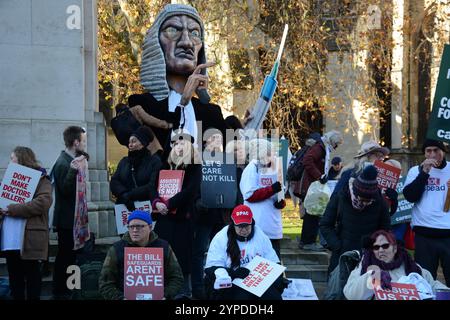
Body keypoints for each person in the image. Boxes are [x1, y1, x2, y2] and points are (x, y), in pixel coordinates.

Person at [152, 128, 202, 298]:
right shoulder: (164, 165)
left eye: (182, 142)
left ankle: (183, 294)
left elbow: (191, 191)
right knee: (161, 254)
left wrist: (170, 203)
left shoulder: (195, 166)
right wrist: (157, 203)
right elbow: (154, 187)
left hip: (183, 219)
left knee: (182, 258)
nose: (178, 145)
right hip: (164, 218)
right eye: (175, 142)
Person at [0, 147, 52, 300]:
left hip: (29, 237)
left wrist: (12, 209)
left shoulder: (42, 179)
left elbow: (43, 202)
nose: (10, 162)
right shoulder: (9, 180)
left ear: (21, 159)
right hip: (9, 239)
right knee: (15, 280)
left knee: (32, 278)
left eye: (12, 158)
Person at [320, 165, 391, 273]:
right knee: (338, 289)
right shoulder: (341, 197)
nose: (366, 203)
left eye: (369, 200)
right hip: (342, 257)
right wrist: (337, 246)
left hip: (369, 260)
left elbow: (385, 230)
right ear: (356, 193)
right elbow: (325, 224)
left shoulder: (380, 202)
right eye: (362, 199)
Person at [98, 210, 184, 300]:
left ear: (150, 227)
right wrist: (120, 298)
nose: (134, 230)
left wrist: (165, 295)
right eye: (131, 227)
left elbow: (176, 278)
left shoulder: (164, 247)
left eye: (139, 226)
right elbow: (105, 283)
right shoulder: (117, 249)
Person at [204, 205, 283, 300]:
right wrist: (232, 273)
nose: (244, 230)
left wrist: (277, 276)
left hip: (258, 281)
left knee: (274, 296)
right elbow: (211, 267)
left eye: (247, 226)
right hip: (232, 283)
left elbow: (272, 259)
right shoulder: (221, 238)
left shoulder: (260, 235)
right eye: (240, 227)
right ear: (233, 225)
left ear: (252, 223)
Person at [343, 230, 448, 300]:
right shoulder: (366, 264)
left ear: (394, 248)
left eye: (385, 246)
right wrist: (371, 277)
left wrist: (445, 292)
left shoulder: (410, 266)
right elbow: (350, 294)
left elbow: (433, 286)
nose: (380, 250)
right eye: (376, 247)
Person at [403, 139, 450, 286]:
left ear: (443, 152)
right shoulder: (415, 171)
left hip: (448, 234)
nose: (433, 154)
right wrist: (424, 173)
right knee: (424, 282)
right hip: (424, 234)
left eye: (436, 150)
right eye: (429, 151)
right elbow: (410, 196)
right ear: (424, 153)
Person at [51, 125, 88, 298]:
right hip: (66, 220)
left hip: (72, 220)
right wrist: (73, 171)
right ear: (75, 142)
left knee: (70, 256)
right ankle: (60, 291)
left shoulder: (72, 160)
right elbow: (65, 191)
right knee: (64, 257)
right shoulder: (63, 163)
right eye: (83, 142)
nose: (85, 145)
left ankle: (68, 289)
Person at [240, 138, 285, 258]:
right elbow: (249, 195)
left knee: (275, 258)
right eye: (269, 153)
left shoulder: (275, 167)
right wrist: (271, 189)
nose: (272, 156)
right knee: (258, 259)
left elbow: (281, 189)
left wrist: (281, 201)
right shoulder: (252, 168)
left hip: (273, 223)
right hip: (258, 221)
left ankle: (278, 277)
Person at [299, 130, 344, 251]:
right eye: (336, 144)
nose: (336, 147)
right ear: (332, 142)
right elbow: (307, 160)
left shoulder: (322, 147)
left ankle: (307, 241)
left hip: (312, 184)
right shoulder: (319, 148)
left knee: (312, 212)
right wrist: (319, 175)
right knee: (312, 214)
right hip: (311, 185)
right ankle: (308, 241)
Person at [110, 126, 162, 214]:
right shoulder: (124, 161)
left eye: (134, 141)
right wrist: (123, 195)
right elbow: (114, 181)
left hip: (145, 208)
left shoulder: (154, 161)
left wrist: (130, 195)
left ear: (143, 143)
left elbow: (152, 185)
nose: (130, 144)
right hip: (124, 209)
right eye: (129, 142)